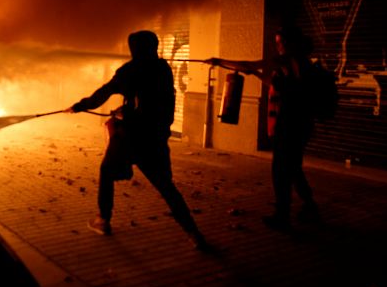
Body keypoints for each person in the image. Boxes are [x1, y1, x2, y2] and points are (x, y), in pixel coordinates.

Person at [67, 30, 208, 250]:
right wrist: (126, 109)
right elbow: (152, 102)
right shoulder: (163, 68)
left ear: (134, 48)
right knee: (166, 187)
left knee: (106, 171)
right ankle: (193, 233)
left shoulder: (129, 71)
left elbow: (102, 94)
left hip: (130, 137)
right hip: (156, 138)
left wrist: (79, 106)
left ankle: (103, 220)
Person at [205, 25, 320, 231]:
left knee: (280, 171)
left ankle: (282, 216)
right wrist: (256, 75)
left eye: (281, 42)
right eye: (277, 43)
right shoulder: (302, 63)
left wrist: (219, 61)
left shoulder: (287, 60)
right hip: (301, 124)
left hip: (290, 124)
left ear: (292, 43)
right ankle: (310, 206)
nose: (279, 46)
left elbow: (247, 65)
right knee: (293, 168)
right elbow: (278, 85)